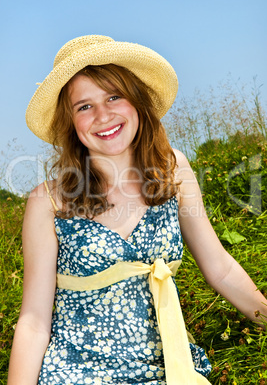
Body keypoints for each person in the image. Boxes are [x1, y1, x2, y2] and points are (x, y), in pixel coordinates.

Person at [8, 35, 267, 385]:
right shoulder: (48, 202)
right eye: (84, 106)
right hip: (77, 375)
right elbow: (34, 321)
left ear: (137, 102)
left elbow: (219, 269)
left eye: (114, 96)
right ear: (71, 123)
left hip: (169, 371)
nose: (103, 115)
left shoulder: (173, 170)